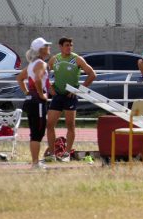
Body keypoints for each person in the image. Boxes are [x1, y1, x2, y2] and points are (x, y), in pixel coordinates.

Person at [45, 37, 96, 162]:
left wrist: (78, 90)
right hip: (57, 96)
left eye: (71, 45)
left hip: (70, 97)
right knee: (50, 125)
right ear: (60, 46)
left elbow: (92, 74)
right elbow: (43, 73)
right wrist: (49, 87)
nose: (69, 47)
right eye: (67, 45)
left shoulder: (77, 59)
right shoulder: (55, 59)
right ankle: (52, 154)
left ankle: (67, 154)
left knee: (70, 126)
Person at [16, 37, 52, 169]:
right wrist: (42, 94)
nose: (49, 47)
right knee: (38, 132)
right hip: (38, 101)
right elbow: (37, 80)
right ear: (40, 49)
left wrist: (27, 92)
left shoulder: (32, 63)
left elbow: (19, 78)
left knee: (35, 131)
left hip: (31, 99)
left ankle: (35, 162)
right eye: (46, 45)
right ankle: (35, 163)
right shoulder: (41, 64)